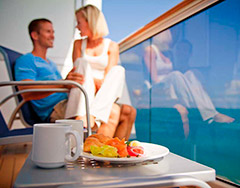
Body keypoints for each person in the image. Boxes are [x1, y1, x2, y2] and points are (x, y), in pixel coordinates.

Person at [14, 18, 135, 139]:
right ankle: (95, 155)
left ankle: (116, 154)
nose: (53, 36)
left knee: (129, 111)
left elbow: (64, 87)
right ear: (35, 35)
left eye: (53, 32)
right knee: (112, 111)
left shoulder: (51, 64)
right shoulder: (27, 60)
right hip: (55, 109)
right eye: (48, 31)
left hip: (69, 101)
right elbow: (26, 91)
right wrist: (63, 84)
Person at [143, 31, 234, 138]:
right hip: (157, 89)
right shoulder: (150, 50)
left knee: (191, 74)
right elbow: (154, 79)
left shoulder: (168, 53)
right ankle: (209, 114)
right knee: (176, 74)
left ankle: (207, 112)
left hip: (170, 86)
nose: (173, 38)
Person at [65, 5, 127, 135]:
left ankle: (91, 116)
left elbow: (108, 82)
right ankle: (88, 118)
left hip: (103, 94)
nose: (77, 27)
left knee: (118, 70)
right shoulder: (78, 44)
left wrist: (96, 82)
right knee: (82, 63)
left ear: (90, 22)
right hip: (82, 93)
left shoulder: (112, 46)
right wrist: (92, 81)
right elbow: (78, 74)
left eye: (79, 23)